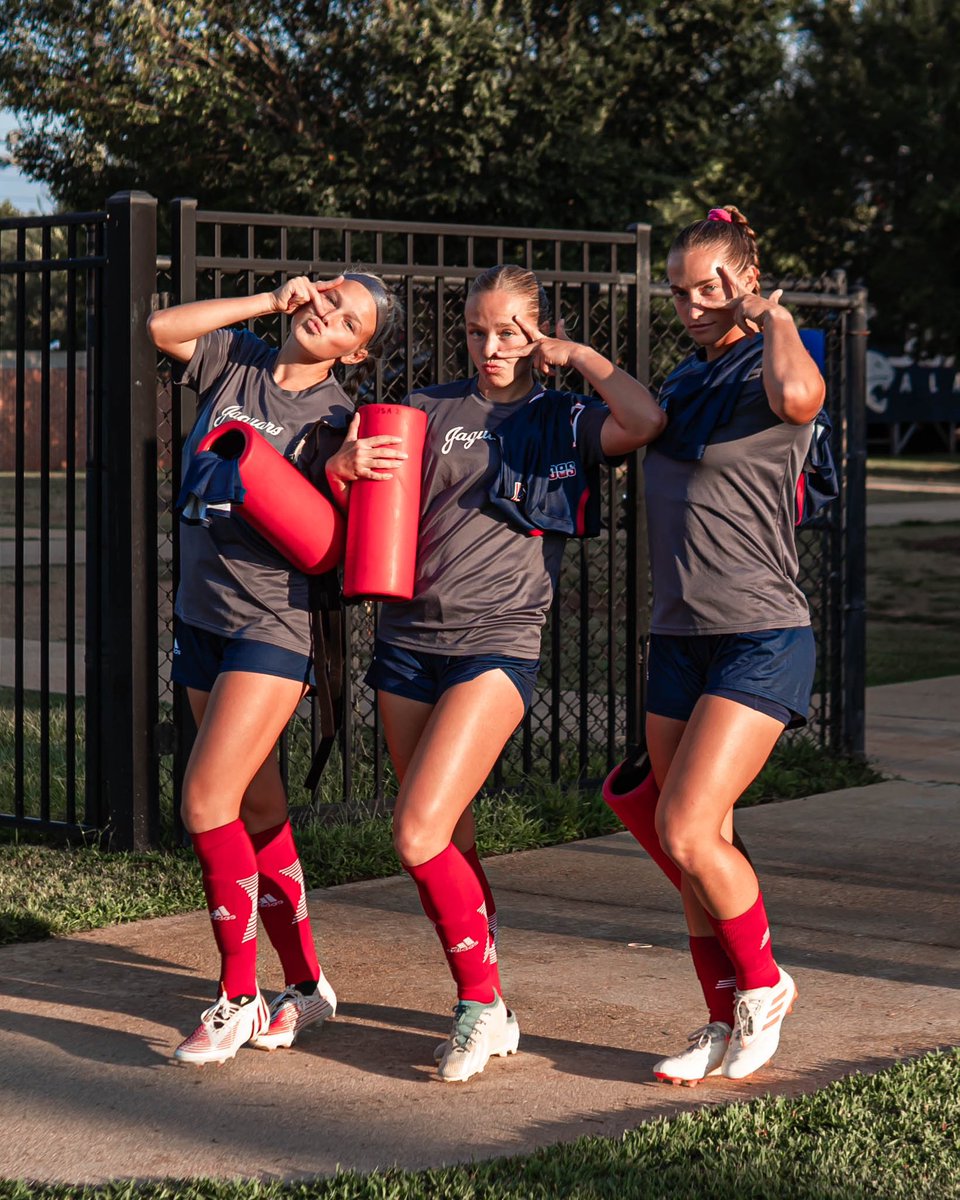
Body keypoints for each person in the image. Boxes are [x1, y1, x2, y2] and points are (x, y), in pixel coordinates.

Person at [340, 264, 665, 1083]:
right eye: (479, 331)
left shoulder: (564, 416)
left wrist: (579, 355)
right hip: (408, 643)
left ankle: (481, 1008)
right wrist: (341, 468)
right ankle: (484, 1001)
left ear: (537, 330)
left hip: (498, 642)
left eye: (511, 331)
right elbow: (356, 499)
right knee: (447, 841)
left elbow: (644, 419)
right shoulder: (426, 408)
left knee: (415, 831)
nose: (492, 346)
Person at [146, 270, 403, 1065]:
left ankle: (238, 998)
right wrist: (267, 300)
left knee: (204, 801)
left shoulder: (343, 418)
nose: (328, 311)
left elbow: (338, 546)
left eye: (348, 317)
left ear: (358, 352)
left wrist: (339, 472)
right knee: (258, 812)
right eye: (330, 293)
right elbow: (161, 327)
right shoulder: (239, 360)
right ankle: (306, 986)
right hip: (202, 618)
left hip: (275, 625)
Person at [603, 205, 825, 1085]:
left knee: (688, 830)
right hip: (679, 637)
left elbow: (801, 399)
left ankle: (765, 985)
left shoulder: (773, 365)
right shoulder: (687, 382)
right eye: (681, 291)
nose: (694, 305)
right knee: (697, 837)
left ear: (745, 277)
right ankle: (718, 1014)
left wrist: (774, 314)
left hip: (761, 633)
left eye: (711, 288)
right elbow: (638, 424)